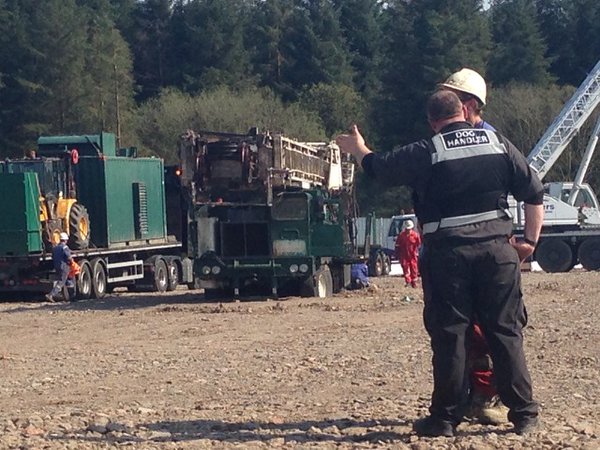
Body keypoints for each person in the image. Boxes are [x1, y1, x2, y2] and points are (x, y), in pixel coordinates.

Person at [336, 90, 544, 437]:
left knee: (451, 336)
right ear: (464, 111)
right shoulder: (498, 143)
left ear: (432, 122)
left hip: (449, 255)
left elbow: (379, 168)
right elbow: (534, 192)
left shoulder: (429, 150)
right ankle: (524, 415)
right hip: (497, 252)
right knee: (505, 333)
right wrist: (530, 243)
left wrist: (359, 148)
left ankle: (445, 419)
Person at [440, 68, 507, 425]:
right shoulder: (482, 140)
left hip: (478, 249)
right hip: (475, 247)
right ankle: (473, 394)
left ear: (467, 105)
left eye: (452, 99)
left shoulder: (486, 142)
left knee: (481, 328)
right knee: (464, 328)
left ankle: (484, 395)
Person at [46, 232, 73, 302]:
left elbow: (53, 257)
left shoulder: (55, 248)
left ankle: (69, 297)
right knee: (61, 282)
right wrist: (72, 263)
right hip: (64, 266)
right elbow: (69, 257)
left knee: (68, 281)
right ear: (65, 240)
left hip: (57, 266)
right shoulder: (65, 247)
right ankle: (51, 295)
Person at [394, 219, 421, 288]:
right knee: (405, 268)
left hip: (413, 255)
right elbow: (397, 245)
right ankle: (408, 282)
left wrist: (419, 253)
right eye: (407, 228)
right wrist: (397, 254)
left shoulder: (415, 235)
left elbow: (419, 245)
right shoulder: (401, 235)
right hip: (404, 255)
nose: (408, 230)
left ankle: (414, 283)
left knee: (414, 269)